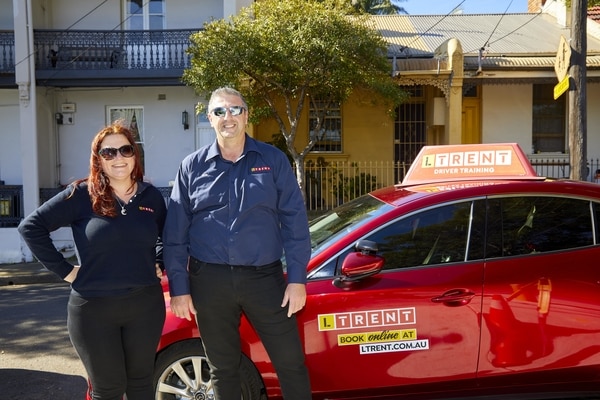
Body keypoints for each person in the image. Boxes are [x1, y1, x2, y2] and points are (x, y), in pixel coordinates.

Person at [163, 87, 312, 400]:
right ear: (209, 118)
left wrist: (297, 280)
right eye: (219, 111)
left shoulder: (273, 160)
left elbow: (295, 224)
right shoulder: (192, 166)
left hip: (265, 280)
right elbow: (175, 235)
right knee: (222, 367)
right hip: (210, 282)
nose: (227, 117)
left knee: (291, 362)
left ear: (246, 115)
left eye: (234, 110)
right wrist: (179, 287)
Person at [18, 122, 167, 400]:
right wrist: (65, 271)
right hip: (93, 311)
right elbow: (31, 227)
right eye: (108, 152)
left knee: (141, 385)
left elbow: (165, 235)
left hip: (145, 306)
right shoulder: (81, 195)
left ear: (135, 155)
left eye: (125, 150)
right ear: (98, 158)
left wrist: (159, 260)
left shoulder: (151, 196)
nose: (118, 158)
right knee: (108, 389)